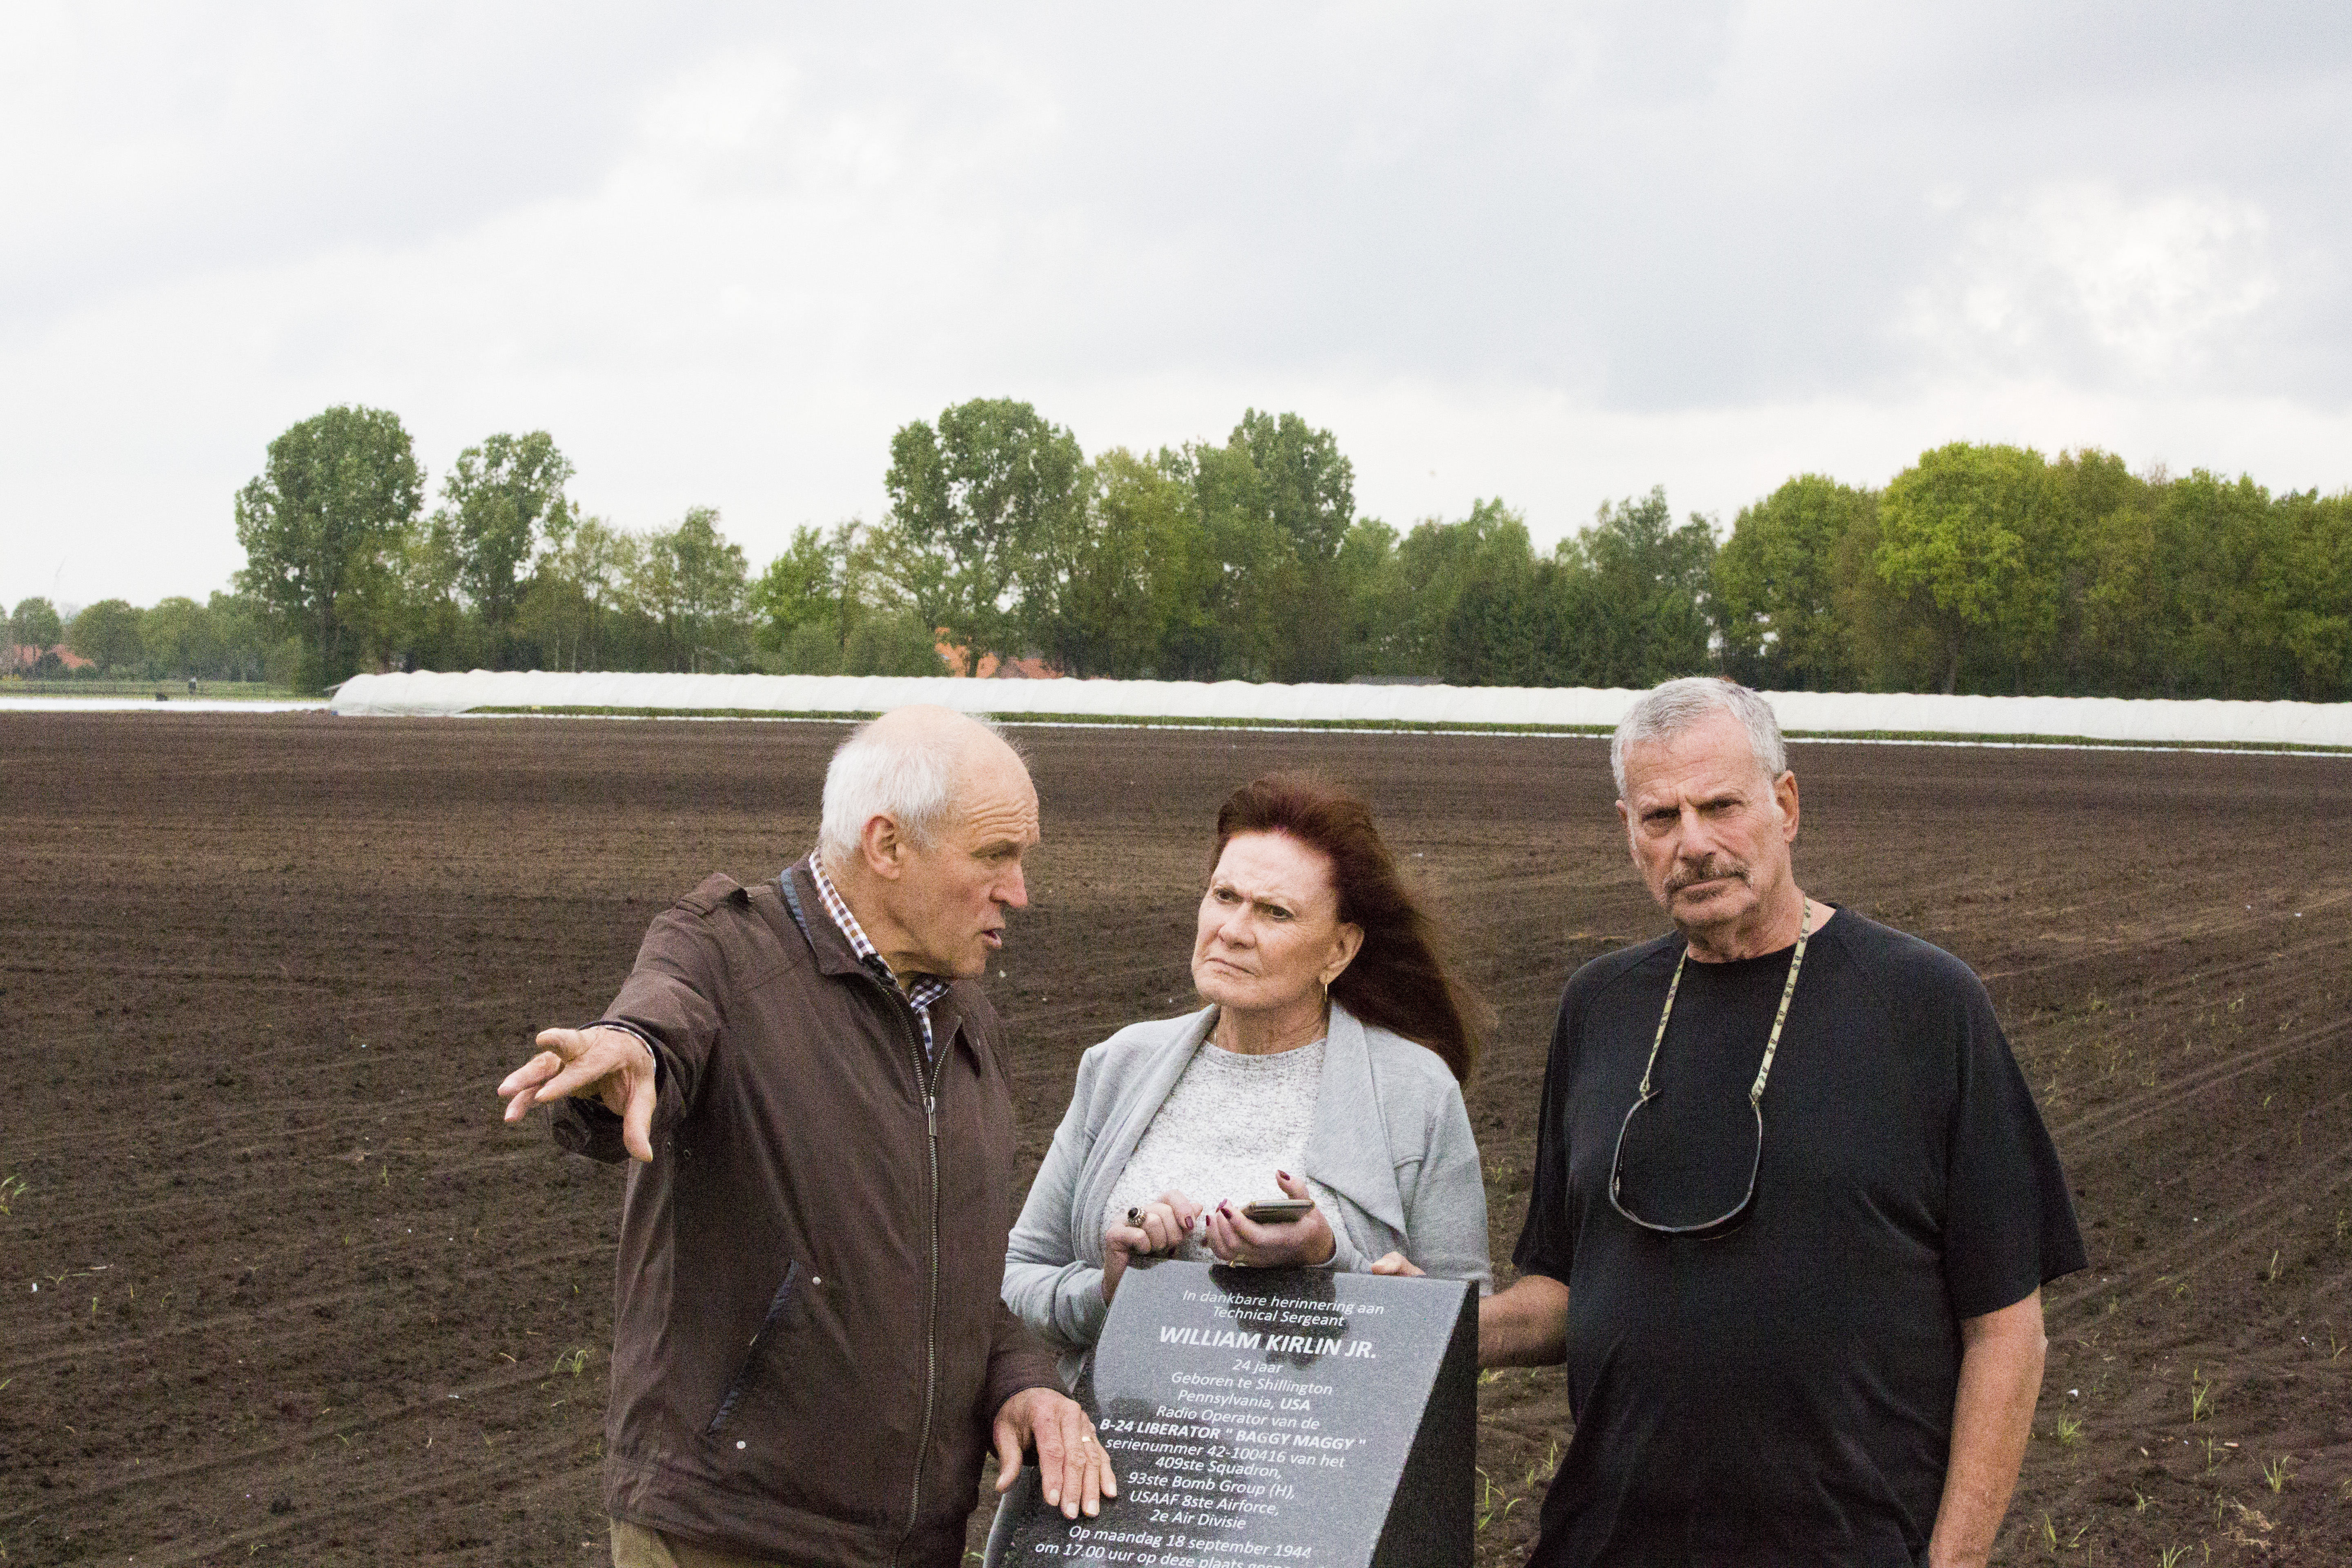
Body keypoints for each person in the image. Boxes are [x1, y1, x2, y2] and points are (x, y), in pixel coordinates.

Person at [1481, 677, 2085, 1568]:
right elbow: (1567, 1294)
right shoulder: (1600, 1006)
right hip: (1608, 1544)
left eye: (1720, 806)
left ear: (1786, 805)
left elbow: (2006, 1329)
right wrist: (1415, 1325)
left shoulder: (1924, 1005)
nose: (1692, 844)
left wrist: (1954, 1563)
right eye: (1660, 818)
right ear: (1629, 832)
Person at [497, 707, 1114, 1568]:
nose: (1019, 891)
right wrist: (626, 1058)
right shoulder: (722, 954)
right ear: (888, 847)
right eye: (993, 857)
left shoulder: (965, 1019)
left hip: (912, 1544)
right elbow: (660, 1027)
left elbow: (952, 1277)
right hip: (733, 1538)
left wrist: (1021, 1385)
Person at [1002, 773, 1492, 1385]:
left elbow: (1460, 1327)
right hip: (1118, 1466)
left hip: (1316, 1468)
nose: (1232, 930)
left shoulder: (1416, 1093)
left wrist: (1326, 1259)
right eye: (1225, 895)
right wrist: (1112, 1288)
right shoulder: (1120, 1066)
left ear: (1338, 950)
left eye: (1275, 912)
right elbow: (1020, 1277)